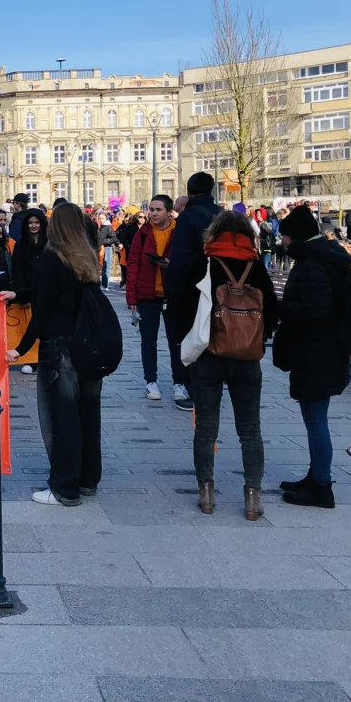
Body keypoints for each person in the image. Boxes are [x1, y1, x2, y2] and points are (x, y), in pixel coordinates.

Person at [6, 203, 103, 507]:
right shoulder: (85, 256)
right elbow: (59, 294)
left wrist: (20, 349)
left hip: (59, 348)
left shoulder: (52, 258)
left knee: (61, 419)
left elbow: (43, 309)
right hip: (88, 345)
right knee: (88, 415)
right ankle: (87, 480)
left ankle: (64, 488)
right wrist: (19, 294)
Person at [183, 211, 278, 521]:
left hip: (209, 356)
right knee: (250, 431)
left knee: (206, 429)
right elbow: (273, 310)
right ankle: (253, 498)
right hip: (248, 358)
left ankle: (206, 493)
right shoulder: (256, 266)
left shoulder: (206, 264)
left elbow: (184, 304)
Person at [274, 205, 351, 509]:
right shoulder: (318, 258)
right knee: (313, 419)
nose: (283, 243)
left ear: (296, 237)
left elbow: (317, 310)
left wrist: (280, 309)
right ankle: (315, 475)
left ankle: (322, 485)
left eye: (286, 237)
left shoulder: (314, 265)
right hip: (319, 350)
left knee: (316, 421)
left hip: (318, 351)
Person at [165, 173, 221, 409]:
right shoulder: (223, 215)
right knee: (213, 337)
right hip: (220, 285)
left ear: (189, 190)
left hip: (193, 287)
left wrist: (172, 292)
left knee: (192, 337)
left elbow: (179, 260)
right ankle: (215, 387)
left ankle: (195, 389)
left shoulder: (187, 218)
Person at [126, 195, 189, 406]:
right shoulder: (142, 234)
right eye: (151, 209)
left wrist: (173, 265)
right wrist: (132, 297)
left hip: (172, 294)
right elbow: (133, 265)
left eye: (158, 209)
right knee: (148, 340)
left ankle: (179, 382)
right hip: (148, 294)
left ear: (169, 212)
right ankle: (150, 381)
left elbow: (189, 262)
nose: (153, 213)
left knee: (176, 341)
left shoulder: (179, 232)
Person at [0, 208, 48, 375]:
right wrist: (21, 293)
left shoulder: (49, 243)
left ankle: (43, 359)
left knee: (44, 325)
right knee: (31, 325)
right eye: (30, 223)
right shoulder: (21, 244)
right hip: (28, 290)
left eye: (36, 223)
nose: (33, 226)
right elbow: (17, 269)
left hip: (47, 290)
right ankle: (32, 360)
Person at [96, 213, 118, 290]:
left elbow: (113, 238)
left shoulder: (108, 227)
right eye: (99, 218)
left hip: (107, 248)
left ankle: (106, 284)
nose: (100, 220)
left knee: (106, 266)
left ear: (106, 218)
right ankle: (102, 283)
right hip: (99, 248)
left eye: (102, 218)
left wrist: (103, 241)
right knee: (101, 266)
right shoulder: (98, 227)